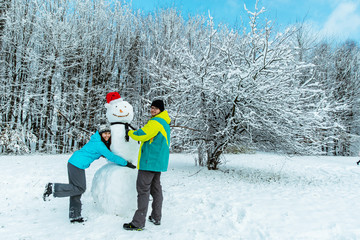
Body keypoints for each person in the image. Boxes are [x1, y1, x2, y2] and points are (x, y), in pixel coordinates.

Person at [43, 124, 136, 223]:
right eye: (105, 133)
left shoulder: (99, 141)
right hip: (77, 164)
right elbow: (111, 156)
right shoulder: (99, 144)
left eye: (109, 133)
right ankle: (53, 188)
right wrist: (126, 163)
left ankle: (75, 216)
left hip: (75, 162)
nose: (107, 135)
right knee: (80, 188)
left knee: (75, 190)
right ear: (100, 134)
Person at [123, 99, 171, 231]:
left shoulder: (156, 121)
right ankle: (156, 217)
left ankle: (138, 222)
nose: (152, 110)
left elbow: (143, 135)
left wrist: (131, 133)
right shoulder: (165, 122)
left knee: (143, 191)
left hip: (149, 162)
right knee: (156, 190)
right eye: (151, 108)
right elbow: (151, 135)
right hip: (157, 162)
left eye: (155, 108)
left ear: (161, 109)